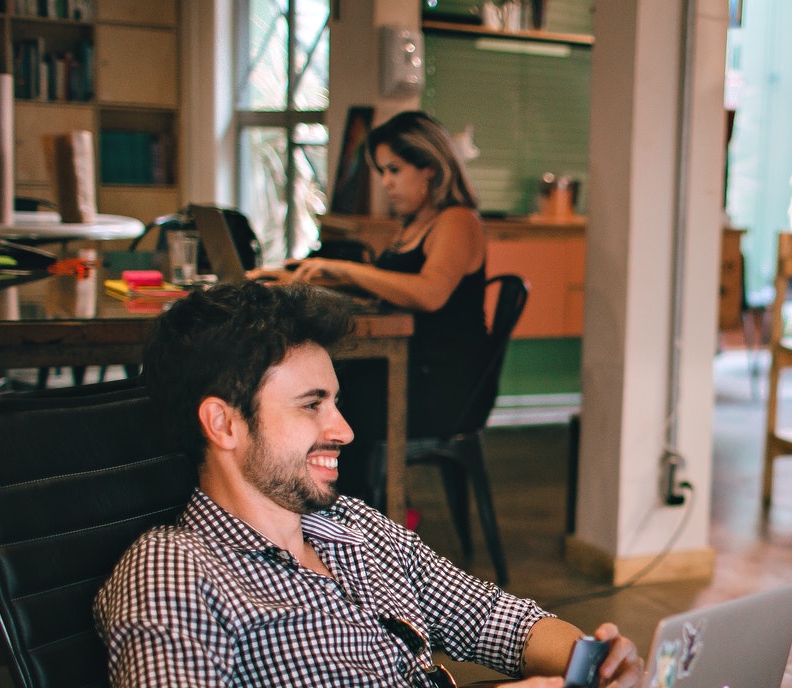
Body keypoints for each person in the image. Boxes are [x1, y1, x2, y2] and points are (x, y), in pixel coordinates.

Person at [94, 282, 644, 687]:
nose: (345, 431)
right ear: (224, 423)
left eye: (336, 402)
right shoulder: (174, 571)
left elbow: (493, 619)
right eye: (312, 406)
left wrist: (595, 663)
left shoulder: (356, 529)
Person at [250, 110, 488, 500]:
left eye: (394, 169)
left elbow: (429, 293)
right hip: (410, 366)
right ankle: (321, 508)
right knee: (322, 392)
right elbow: (391, 288)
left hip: (439, 384)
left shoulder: (458, 221)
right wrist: (308, 276)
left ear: (429, 166)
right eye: (382, 171)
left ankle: (345, 516)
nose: (386, 182)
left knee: (334, 401)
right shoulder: (415, 223)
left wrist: (343, 269)